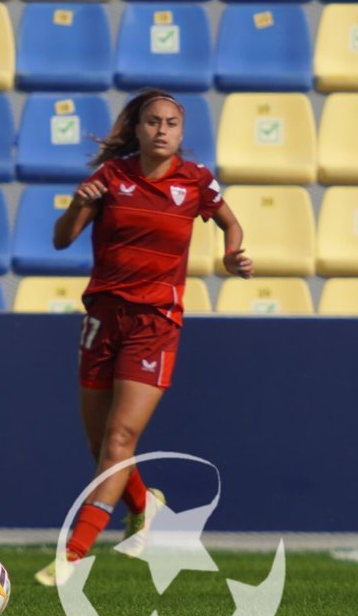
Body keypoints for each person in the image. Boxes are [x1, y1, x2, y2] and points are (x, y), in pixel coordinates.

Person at [36, 89, 254, 586]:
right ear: (136, 128)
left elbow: (230, 222)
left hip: (155, 323)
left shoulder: (195, 182)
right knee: (102, 445)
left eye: (172, 123)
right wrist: (77, 205)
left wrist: (232, 253)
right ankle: (145, 507)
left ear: (182, 131)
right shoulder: (110, 179)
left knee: (119, 438)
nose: (162, 130)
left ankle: (72, 555)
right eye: (153, 121)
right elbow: (60, 238)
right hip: (102, 320)